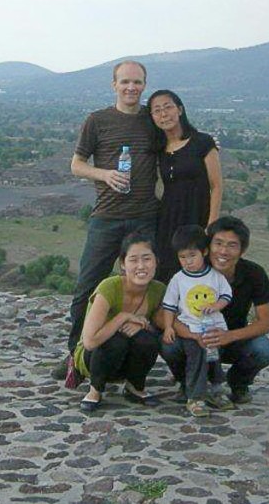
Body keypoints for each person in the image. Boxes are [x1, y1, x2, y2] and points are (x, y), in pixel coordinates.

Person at [56, 60, 160, 377]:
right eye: (125, 82)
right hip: (107, 217)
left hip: (145, 218)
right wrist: (104, 174)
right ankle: (76, 356)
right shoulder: (97, 121)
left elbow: (180, 141)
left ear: (145, 85)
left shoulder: (153, 119)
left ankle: (137, 359)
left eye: (138, 82)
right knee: (88, 286)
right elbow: (76, 164)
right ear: (113, 85)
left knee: (146, 289)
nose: (132, 88)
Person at [159, 216, 269, 405]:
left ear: (242, 250)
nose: (223, 251)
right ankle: (187, 383)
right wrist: (190, 334)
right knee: (169, 345)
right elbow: (162, 313)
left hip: (232, 340)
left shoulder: (254, 273)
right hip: (193, 339)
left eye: (232, 245)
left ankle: (238, 383)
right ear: (207, 246)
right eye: (218, 243)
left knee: (265, 349)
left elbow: (264, 323)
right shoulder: (187, 269)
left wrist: (229, 336)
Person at [73, 233, 167, 413]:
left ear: (156, 261)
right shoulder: (109, 287)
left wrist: (143, 323)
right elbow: (90, 341)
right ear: (123, 264)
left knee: (147, 339)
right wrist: (123, 317)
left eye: (147, 259)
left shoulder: (158, 290)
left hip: (127, 358)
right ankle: (95, 390)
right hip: (95, 357)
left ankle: (135, 387)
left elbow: (162, 325)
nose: (141, 266)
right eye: (133, 260)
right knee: (116, 341)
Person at [159, 225, 234, 417]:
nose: (187, 262)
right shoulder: (178, 279)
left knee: (214, 360)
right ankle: (195, 397)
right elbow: (169, 306)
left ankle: (216, 391)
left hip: (214, 329)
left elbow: (226, 295)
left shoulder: (215, 276)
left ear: (204, 252)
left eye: (192, 256)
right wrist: (168, 326)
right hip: (191, 330)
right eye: (182, 257)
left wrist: (217, 306)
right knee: (197, 358)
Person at [148, 89, 222, 283]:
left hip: (197, 215)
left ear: (180, 109)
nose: (164, 114)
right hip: (168, 219)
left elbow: (216, 186)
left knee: (197, 272)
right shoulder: (158, 149)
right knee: (167, 272)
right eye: (157, 110)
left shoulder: (203, 142)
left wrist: (211, 224)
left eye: (168, 107)